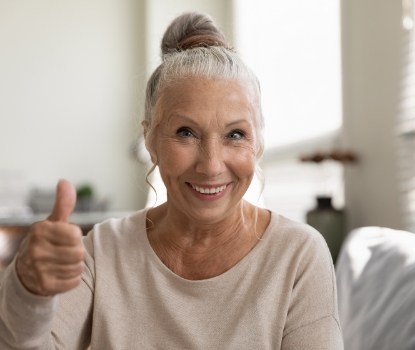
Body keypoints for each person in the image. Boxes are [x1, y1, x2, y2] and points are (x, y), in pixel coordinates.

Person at [0, 12, 343, 349]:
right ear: (149, 139)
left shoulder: (298, 256)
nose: (211, 166)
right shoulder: (102, 252)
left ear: (259, 143)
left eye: (235, 134)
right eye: (185, 132)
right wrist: (29, 290)